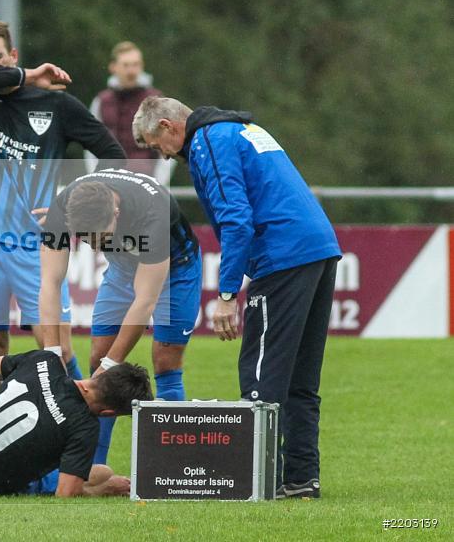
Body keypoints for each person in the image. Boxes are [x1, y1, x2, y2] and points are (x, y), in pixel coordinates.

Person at [132, 97, 341, 499]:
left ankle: (257, 481)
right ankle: (301, 478)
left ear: (168, 125)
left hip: (281, 255)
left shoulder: (208, 140)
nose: (163, 155)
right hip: (318, 248)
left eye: (157, 145)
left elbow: (236, 218)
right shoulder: (238, 128)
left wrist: (227, 293)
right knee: (301, 376)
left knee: (261, 374)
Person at [0, 19, 126, 389]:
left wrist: (73, 201)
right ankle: (1, 442)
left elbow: (113, 154)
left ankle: (80, 433)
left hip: (39, 245)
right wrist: (27, 75)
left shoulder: (58, 105)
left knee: (56, 351)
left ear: (12, 54)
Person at [36, 168, 202, 465]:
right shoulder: (64, 208)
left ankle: (173, 467)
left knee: (165, 360)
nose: (96, 245)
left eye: (100, 237)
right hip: (123, 268)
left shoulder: (154, 214)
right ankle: (92, 465)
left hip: (176, 269)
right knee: (97, 357)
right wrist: (51, 352)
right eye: (87, 240)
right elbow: (49, 281)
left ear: (116, 210)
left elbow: (145, 300)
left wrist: (112, 366)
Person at [0, 348, 152, 496]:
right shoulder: (85, 426)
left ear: (102, 375)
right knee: (102, 474)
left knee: (99, 472)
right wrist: (105, 490)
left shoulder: (45, 360)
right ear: (108, 412)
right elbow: (64, 495)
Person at [85, 42, 173, 185]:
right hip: (109, 183)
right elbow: (91, 145)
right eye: (126, 65)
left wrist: (158, 184)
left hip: (146, 183)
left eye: (135, 64)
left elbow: (168, 146)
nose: (131, 71)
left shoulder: (156, 101)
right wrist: (96, 180)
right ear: (113, 67)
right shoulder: (101, 101)